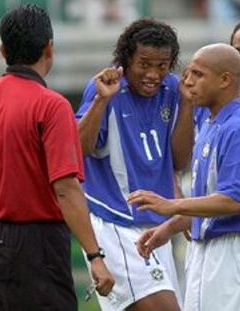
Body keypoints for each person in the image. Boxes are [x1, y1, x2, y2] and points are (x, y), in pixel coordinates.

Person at [0, 4, 114, 311]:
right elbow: (66, 188)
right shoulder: (52, 106)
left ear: (3, 51)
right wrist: (95, 256)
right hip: (37, 244)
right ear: (49, 49)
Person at [129, 43, 240, 311]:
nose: (188, 82)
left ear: (225, 80)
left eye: (198, 74)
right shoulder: (210, 122)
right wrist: (171, 226)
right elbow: (209, 199)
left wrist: (171, 205)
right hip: (204, 250)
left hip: (235, 252)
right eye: (188, 74)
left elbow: (235, 200)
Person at [76, 18, 194, 311]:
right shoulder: (105, 88)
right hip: (115, 219)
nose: (153, 74)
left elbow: (180, 160)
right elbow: (78, 148)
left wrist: (188, 105)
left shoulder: (174, 90)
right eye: (145, 64)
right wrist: (101, 102)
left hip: (157, 226)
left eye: (162, 65)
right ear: (126, 59)